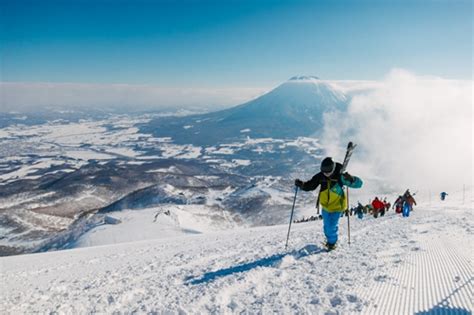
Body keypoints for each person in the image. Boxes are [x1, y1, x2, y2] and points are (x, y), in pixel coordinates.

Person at [295, 157, 363, 251]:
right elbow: (311, 185)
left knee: (331, 226)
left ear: (333, 168)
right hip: (326, 207)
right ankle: (329, 240)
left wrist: (352, 179)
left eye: (328, 171)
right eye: (324, 171)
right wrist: (302, 185)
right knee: (327, 227)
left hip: (337, 207)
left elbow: (359, 184)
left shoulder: (340, 176)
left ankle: (332, 244)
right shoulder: (320, 176)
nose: (326, 174)